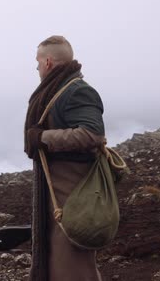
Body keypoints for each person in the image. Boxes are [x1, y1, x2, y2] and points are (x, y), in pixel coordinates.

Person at [24, 35, 106, 281]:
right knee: (59, 263)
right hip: (58, 193)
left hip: (73, 194)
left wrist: (43, 137)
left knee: (72, 267)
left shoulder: (78, 91)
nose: (36, 67)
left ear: (48, 62)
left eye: (38, 61)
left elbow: (93, 134)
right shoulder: (60, 90)